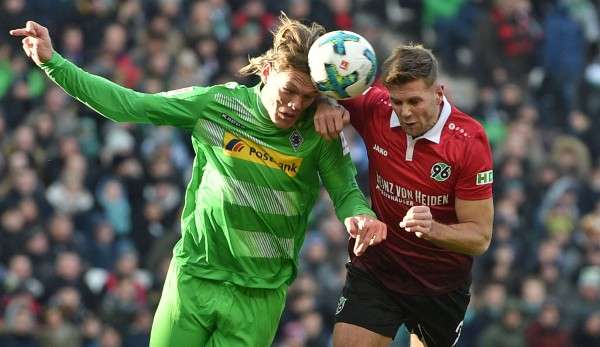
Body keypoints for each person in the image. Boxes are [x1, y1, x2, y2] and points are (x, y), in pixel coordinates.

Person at [10, 16, 387, 347]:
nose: (294, 104)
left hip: (259, 295)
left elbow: (347, 192)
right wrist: (53, 63)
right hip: (194, 277)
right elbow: (129, 104)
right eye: (290, 91)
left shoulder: (319, 130)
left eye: (308, 97)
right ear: (268, 71)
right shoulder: (215, 105)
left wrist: (359, 215)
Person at [315, 44, 494, 347]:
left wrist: (432, 229)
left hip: (439, 284)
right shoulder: (376, 107)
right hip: (378, 269)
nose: (406, 112)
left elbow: (480, 238)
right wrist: (323, 102)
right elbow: (322, 75)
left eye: (415, 101)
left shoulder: (468, 142)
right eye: (398, 102)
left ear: (439, 93)